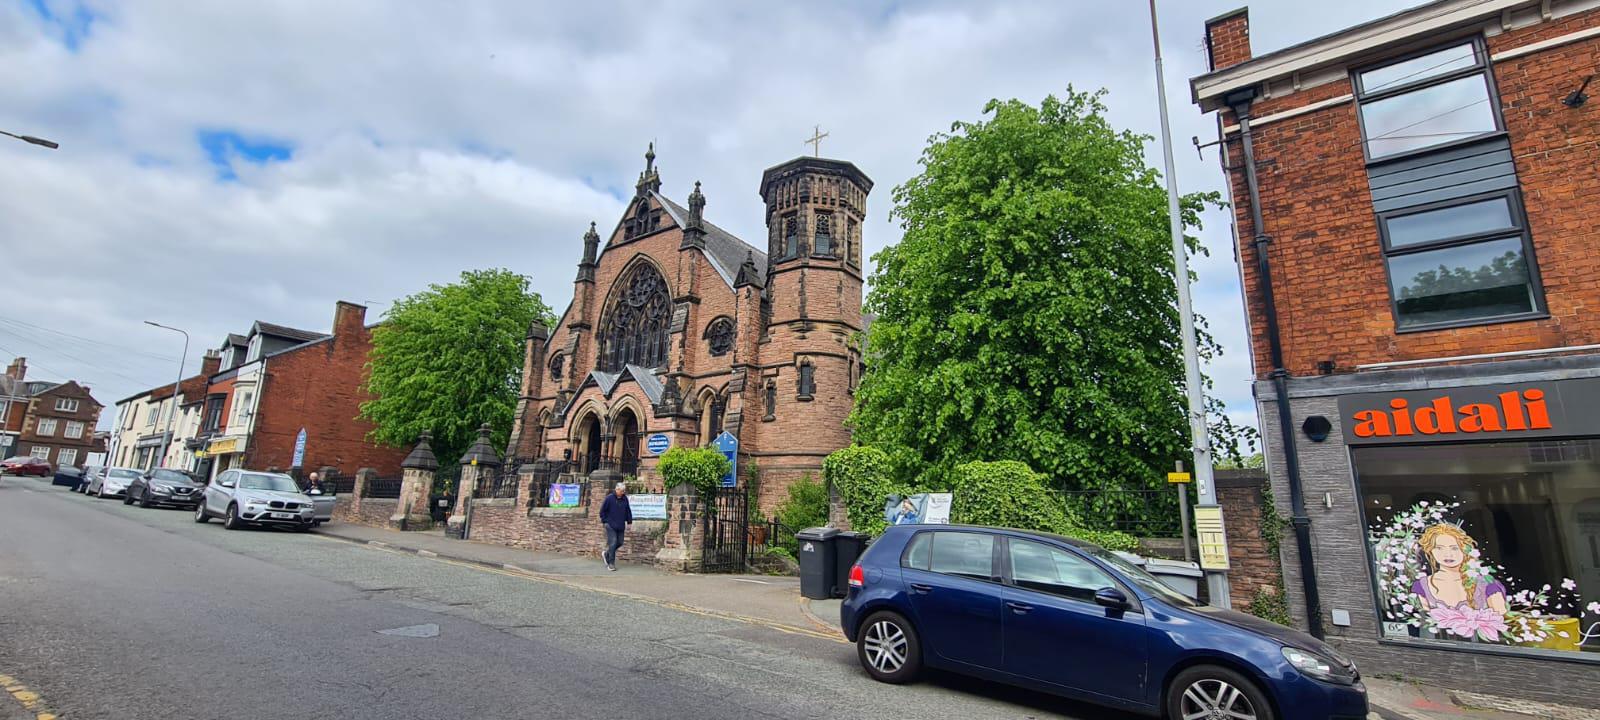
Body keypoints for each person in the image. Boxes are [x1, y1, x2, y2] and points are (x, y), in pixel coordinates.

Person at [1412, 523, 1507, 613]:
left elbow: (1502, 619)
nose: (1448, 554)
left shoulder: (1487, 584)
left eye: (1454, 548)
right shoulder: (1422, 586)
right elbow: (1424, 621)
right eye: (1439, 548)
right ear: (1430, 550)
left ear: (1465, 549)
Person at [599, 481, 632, 571]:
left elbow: (628, 510)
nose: (623, 492)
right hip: (610, 524)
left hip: (620, 524)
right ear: (617, 490)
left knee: (620, 542)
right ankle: (611, 564)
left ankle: (607, 554)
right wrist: (605, 521)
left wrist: (629, 522)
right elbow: (602, 511)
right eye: (622, 491)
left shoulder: (625, 499)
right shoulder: (609, 498)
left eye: (624, 491)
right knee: (613, 542)